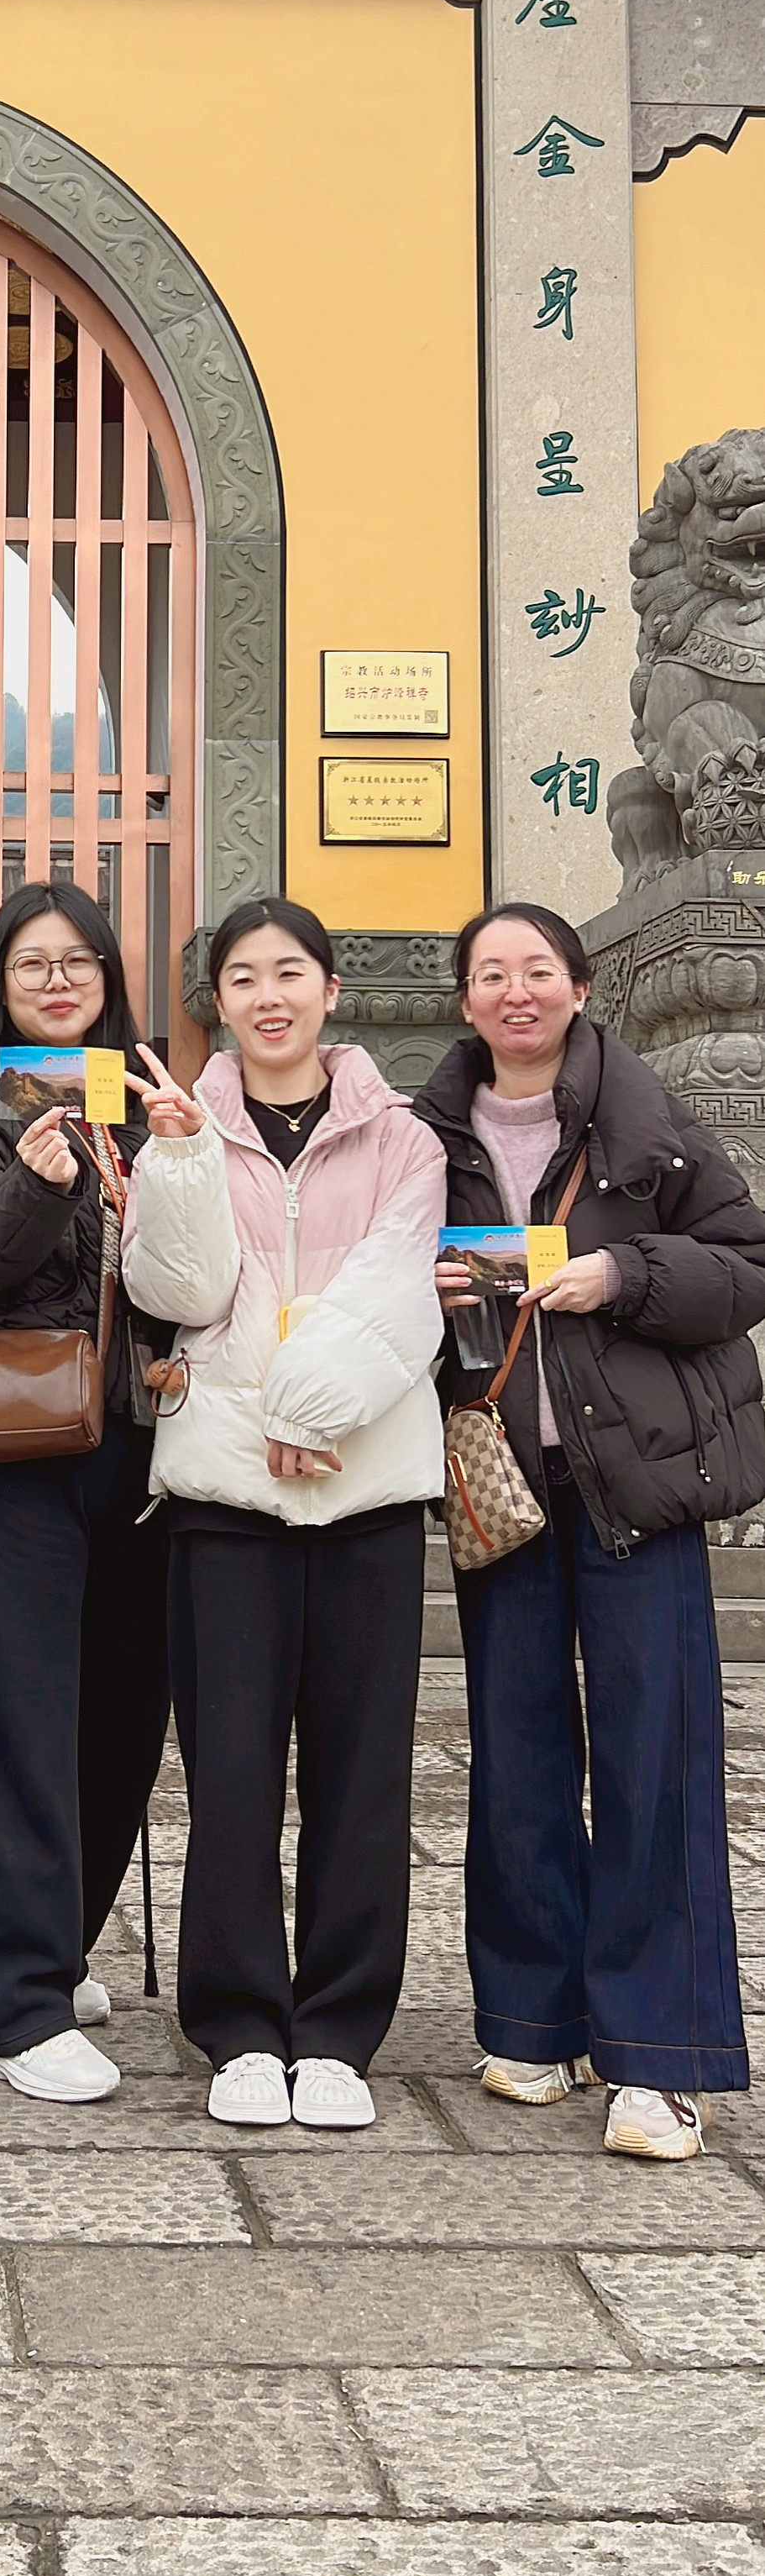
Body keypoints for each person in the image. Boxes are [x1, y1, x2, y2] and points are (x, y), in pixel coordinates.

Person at [413, 901, 764, 2159]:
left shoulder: (647, 1121)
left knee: (653, 1756)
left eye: (537, 971)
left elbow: (747, 1259)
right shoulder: (423, 1138)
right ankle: (530, 2018)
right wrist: (419, 1289)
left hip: (635, 1480)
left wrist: (624, 1276)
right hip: (498, 1479)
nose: (515, 992)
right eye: (490, 974)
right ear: (464, 999)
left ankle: (658, 2059)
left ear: (576, 987)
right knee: (513, 1752)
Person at [120, 898, 445, 2132]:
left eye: (290, 972)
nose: (269, 996)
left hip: (366, 1489)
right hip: (226, 1496)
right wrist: (178, 1162)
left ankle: (341, 2029)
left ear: (329, 988)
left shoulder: (405, 1136)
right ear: (217, 1002)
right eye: (244, 977)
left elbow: (397, 1287)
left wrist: (308, 1410)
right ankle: (241, 2025)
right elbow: (186, 1292)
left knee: (363, 1773)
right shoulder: (182, 1125)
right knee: (232, 1770)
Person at [0, 882, 170, 2106]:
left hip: (141, 1446)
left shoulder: (150, 1097)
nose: (58, 983)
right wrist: (36, 1181)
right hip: (12, 1449)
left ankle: (56, 1947)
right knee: (14, 1718)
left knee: (121, 1716)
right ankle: (10, 2010)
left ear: (108, 978)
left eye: (79, 963)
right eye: (32, 965)